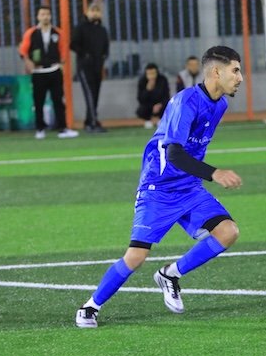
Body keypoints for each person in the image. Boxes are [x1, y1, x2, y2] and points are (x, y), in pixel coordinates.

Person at [76, 45, 244, 328]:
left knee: (228, 232)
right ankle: (90, 307)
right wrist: (214, 173)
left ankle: (170, 275)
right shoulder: (185, 102)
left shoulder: (221, 105)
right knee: (137, 256)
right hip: (158, 188)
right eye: (235, 71)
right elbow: (175, 153)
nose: (240, 78)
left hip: (189, 187)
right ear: (216, 72)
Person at [18, 5, 78, 140]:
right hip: (38, 71)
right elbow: (23, 50)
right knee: (38, 101)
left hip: (54, 70)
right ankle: (40, 129)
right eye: (42, 14)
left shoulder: (57, 32)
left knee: (58, 100)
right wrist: (28, 62)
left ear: (50, 16)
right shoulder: (31, 33)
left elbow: (63, 49)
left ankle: (62, 128)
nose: (45, 17)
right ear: (38, 17)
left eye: (47, 14)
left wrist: (61, 63)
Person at [70, 3, 109, 133]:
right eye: (92, 10)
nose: (95, 13)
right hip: (85, 67)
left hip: (98, 66)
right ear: (87, 12)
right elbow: (73, 44)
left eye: (97, 11)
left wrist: (103, 57)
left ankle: (89, 120)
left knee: (95, 94)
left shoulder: (102, 29)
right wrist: (85, 55)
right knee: (90, 94)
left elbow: (105, 46)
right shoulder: (81, 27)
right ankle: (93, 122)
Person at [136, 62, 170, 129]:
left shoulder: (162, 80)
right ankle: (147, 120)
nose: (151, 76)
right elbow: (140, 99)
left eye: (153, 73)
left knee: (167, 106)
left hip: (160, 104)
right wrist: (147, 90)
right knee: (141, 109)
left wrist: (160, 104)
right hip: (148, 105)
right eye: (149, 73)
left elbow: (166, 96)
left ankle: (161, 120)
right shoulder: (142, 81)